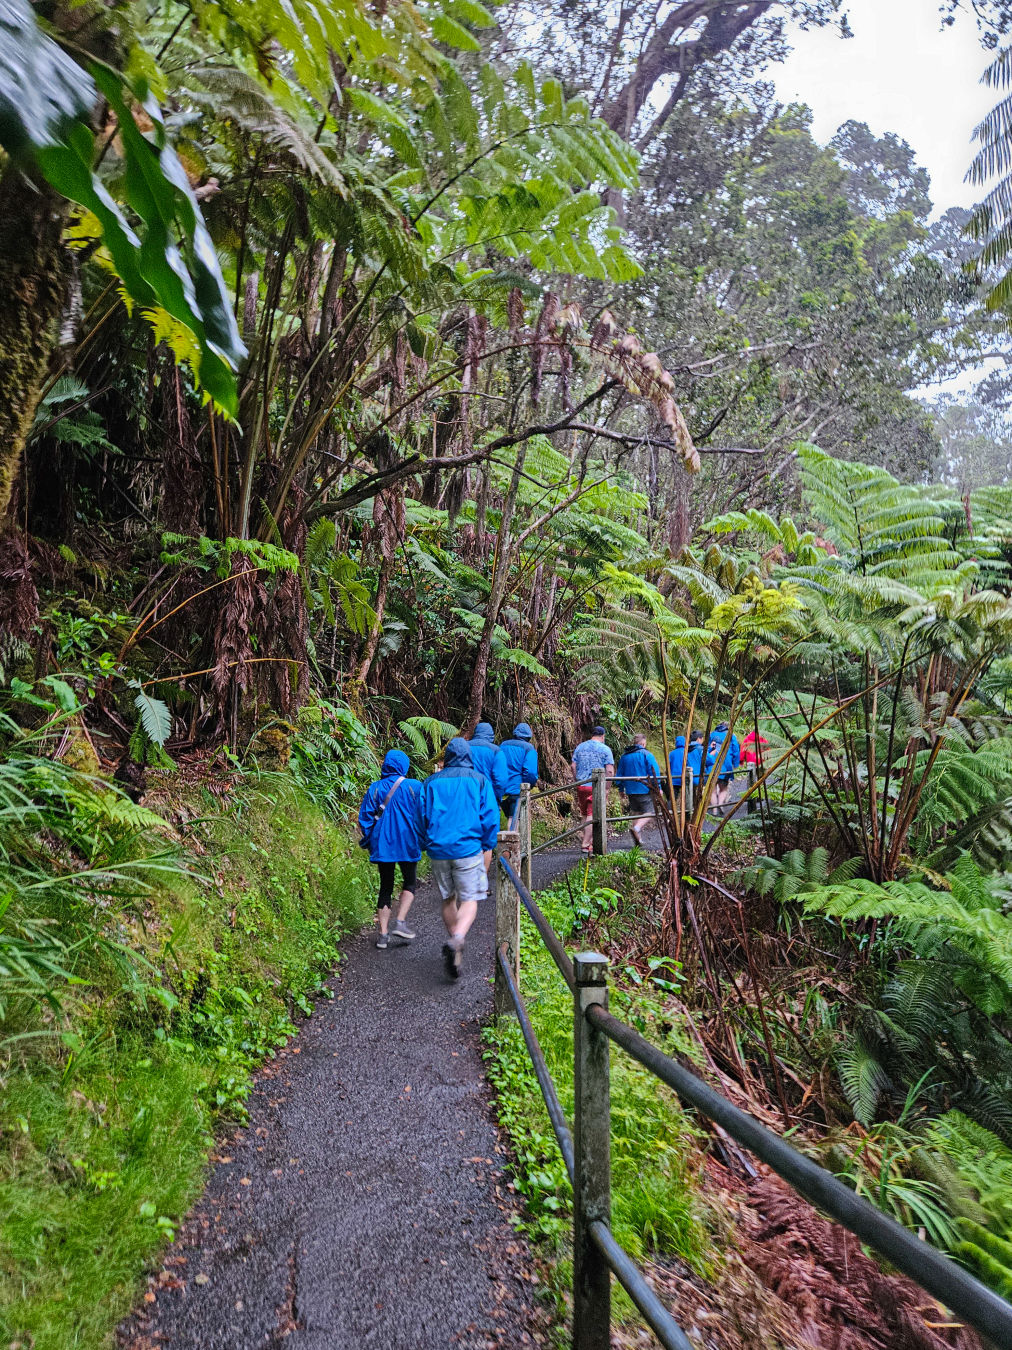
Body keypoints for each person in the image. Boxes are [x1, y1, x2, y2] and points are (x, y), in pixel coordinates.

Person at [417, 738, 500, 980]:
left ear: (448, 757)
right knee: (471, 899)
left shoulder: (430, 782)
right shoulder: (479, 781)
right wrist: (486, 843)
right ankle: (457, 939)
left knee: (448, 898)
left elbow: (420, 816)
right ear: (468, 756)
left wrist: (426, 842)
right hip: (468, 848)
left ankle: (456, 950)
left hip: (438, 849)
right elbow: (490, 817)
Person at [358, 749, 422, 950]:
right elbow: (423, 814)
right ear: (404, 766)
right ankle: (400, 921)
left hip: (383, 844)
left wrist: (371, 838)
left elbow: (365, 819)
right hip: (407, 842)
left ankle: (383, 935)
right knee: (410, 881)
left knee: (385, 886)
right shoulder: (415, 787)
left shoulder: (375, 789)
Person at [571, 725, 615, 856]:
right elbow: (610, 771)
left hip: (582, 785)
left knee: (585, 814)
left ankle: (588, 841)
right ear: (603, 736)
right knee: (592, 814)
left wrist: (577, 780)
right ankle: (585, 844)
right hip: (595, 786)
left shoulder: (580, 747)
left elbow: (573, 766)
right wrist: (607, 788)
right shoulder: (605, 749)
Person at [616, 733, 660, 847]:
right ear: (643, 743)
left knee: (636, 812)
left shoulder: (624, 756)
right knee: (650, 811)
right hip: (644, 788)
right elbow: (654, 771)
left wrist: (621, 789)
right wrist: (657, 787)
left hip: (630, 790)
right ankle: (636, 828)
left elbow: (619, 774)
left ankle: (638, 839)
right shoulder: (646, 754)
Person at [500, 722, 539, 824]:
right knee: (513, 820)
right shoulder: (528, 748)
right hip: (517, 790)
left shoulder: (503, 745)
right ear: (528, 736)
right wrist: (529, 785)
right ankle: (511, 839)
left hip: (501, 789)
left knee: (502, 820)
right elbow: (530, 772)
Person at [467, 721, 509, 805]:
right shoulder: (496, 751)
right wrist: (496, 797)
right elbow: (501, 780)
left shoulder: (464, 747)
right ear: (491, 735)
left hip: (466, 794)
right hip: (487, 797)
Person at [708, 721, 740, 808]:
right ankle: (720, 804)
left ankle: (714, 809)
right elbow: (736, 750)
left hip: (711, 764)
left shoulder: (712, 734)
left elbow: (707, 749)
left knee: (712, 790)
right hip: (726, 764)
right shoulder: (731, 735)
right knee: (723, 788)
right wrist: (736, 763)